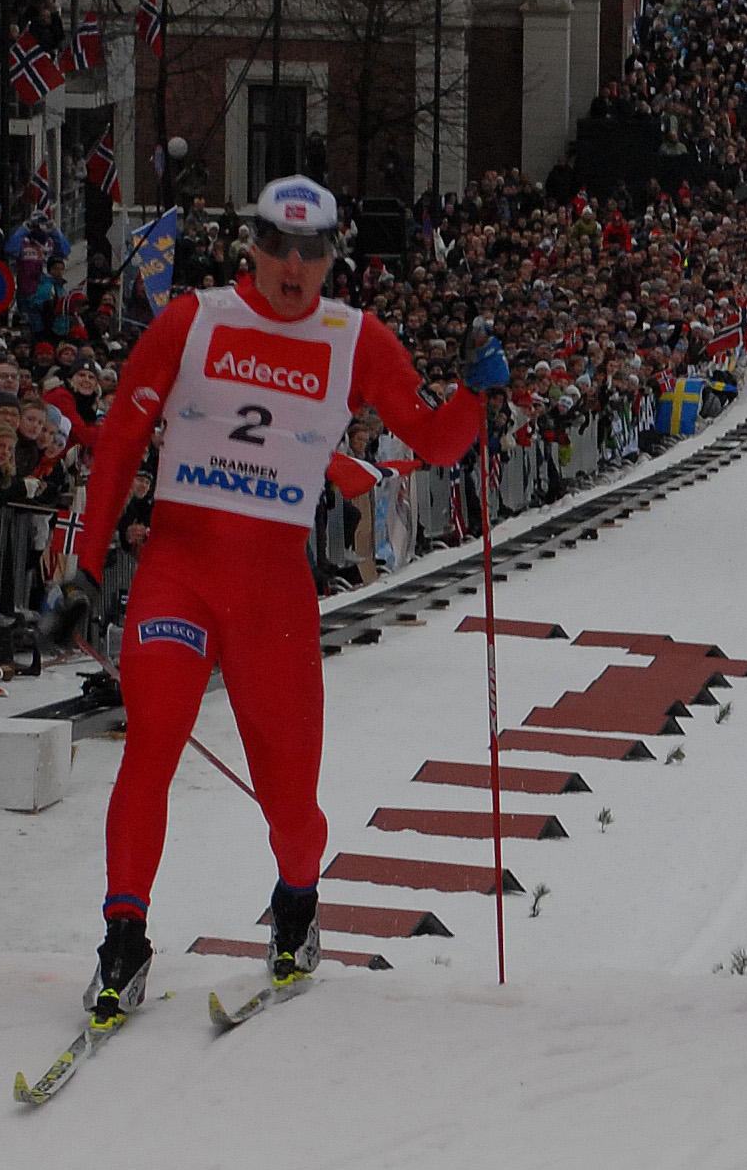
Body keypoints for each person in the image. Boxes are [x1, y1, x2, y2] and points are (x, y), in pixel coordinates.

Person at [56, 176, 508, 1026]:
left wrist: (476, 392)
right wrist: (85, 568)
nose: (294, 268)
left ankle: (297, 902)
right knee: (149, 742)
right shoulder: (193, 320)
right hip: (179, 573)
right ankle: (124, 935)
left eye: (313, 252)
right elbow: (119, 437)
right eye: (279, 249)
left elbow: (438, 438)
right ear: (251, 248)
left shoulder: (358, 338)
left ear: (335, 256)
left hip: (274, 596)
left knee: (292, 801)